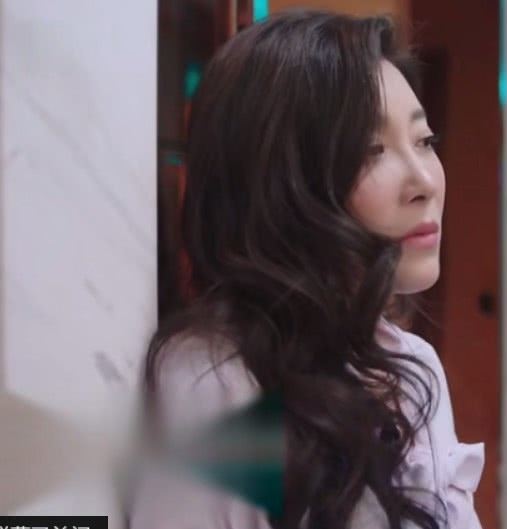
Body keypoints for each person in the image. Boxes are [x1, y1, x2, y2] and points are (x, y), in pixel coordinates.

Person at [127, 9, 484, 529]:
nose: (424, 182)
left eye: (424, 141)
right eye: (371, 150)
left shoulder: (411, 364)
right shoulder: (216, 379)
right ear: (281, 185)